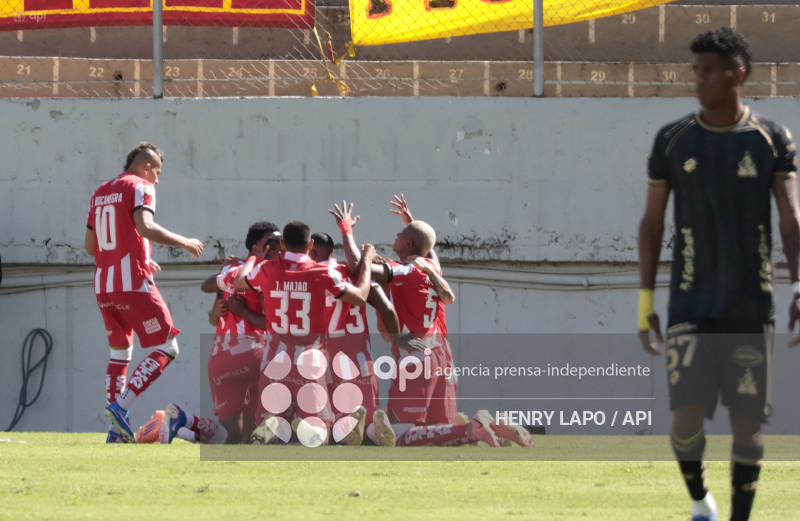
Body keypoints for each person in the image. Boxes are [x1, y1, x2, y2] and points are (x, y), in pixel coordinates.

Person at [637, 28, 800, 521]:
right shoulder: (672, 139)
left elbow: (790, 220)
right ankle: (699, 501)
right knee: (685, 425)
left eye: (708, 70)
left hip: (752, 307)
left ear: (737, 75)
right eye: (696, 69)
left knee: (748, 430)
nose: (698, 79)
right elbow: (651, 224)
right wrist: (646, 304)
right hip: (690, 304)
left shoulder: (772, 139)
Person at [331, 197, 532, 448]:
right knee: (440, 432)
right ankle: (490, 426)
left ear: (410, 243)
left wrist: (346, 229)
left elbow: (358, 266)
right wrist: (411, 221)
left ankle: (474, 427)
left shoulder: (407, 271)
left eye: (402, 232)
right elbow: (429, 248)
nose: (397, 234)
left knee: (401, 436)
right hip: (442, 355)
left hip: (416, 355)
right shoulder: (433, 267)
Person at [86, 142, 203, 443]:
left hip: (104, 285)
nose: (158, 180)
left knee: (119, 354)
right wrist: (185, 241)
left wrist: (134, 252)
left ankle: (116, 432)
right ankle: (121, 406)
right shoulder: (140, 187)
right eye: (158, 173)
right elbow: (145, 226)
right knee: (169, 346)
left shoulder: (100, 192)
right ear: (147, 166)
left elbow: (91, 246)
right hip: (133, 285)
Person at [233, 221, 376, 445]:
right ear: (310, 245)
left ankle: (273, 427)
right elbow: (359, 296)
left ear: (282, 244)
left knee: (273, 422)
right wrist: (366, 262)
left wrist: (253, 259)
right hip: (309, 358)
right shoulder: (322, 272)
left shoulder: (267, 269)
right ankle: (305, 429)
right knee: (321, 434)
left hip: (274, 356)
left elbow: (239, 284)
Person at [157, 222, 282, 445]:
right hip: (252, 350)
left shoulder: (232, 269)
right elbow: (271, 324)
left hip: (220, 358)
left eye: (279, 243)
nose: (277, 248)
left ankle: (182, 422)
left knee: (230, 436)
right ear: (256, 247)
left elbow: (209, 290)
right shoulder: (263, 272)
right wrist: (235, 310)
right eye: (272, 243)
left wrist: (217, 310)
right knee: (287, 387)